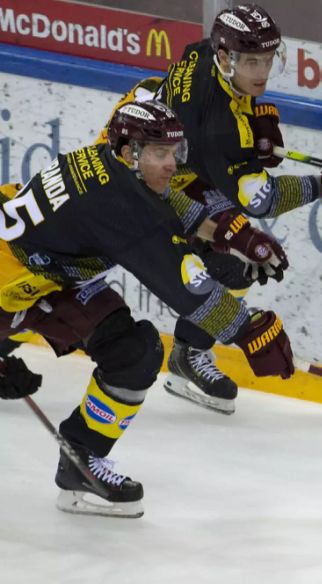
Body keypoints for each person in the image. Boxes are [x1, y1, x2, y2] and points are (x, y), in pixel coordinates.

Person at [0, 100, 296, 518]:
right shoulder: (116, 202)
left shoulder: (117, 170)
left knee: (133, 351)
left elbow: (173, 207)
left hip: (49, 276)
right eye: (160, 154)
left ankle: (81, 463)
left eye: (174, 152)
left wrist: (238, 238)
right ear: (129, 152)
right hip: (9, 277)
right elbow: (183, 288)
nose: (172, 165)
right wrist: (247, 332)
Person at [92, 4, 322, 413]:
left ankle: (188, 355)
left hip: (154, 159)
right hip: (133, 182)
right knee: (76, 270)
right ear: (227, 57)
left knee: (233, 261)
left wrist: (257, 118)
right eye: (252, 62)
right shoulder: (214, 129)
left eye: (267, 59)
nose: (262, 72)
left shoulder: (206, 53)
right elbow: (260, 199)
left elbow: (220, 123)